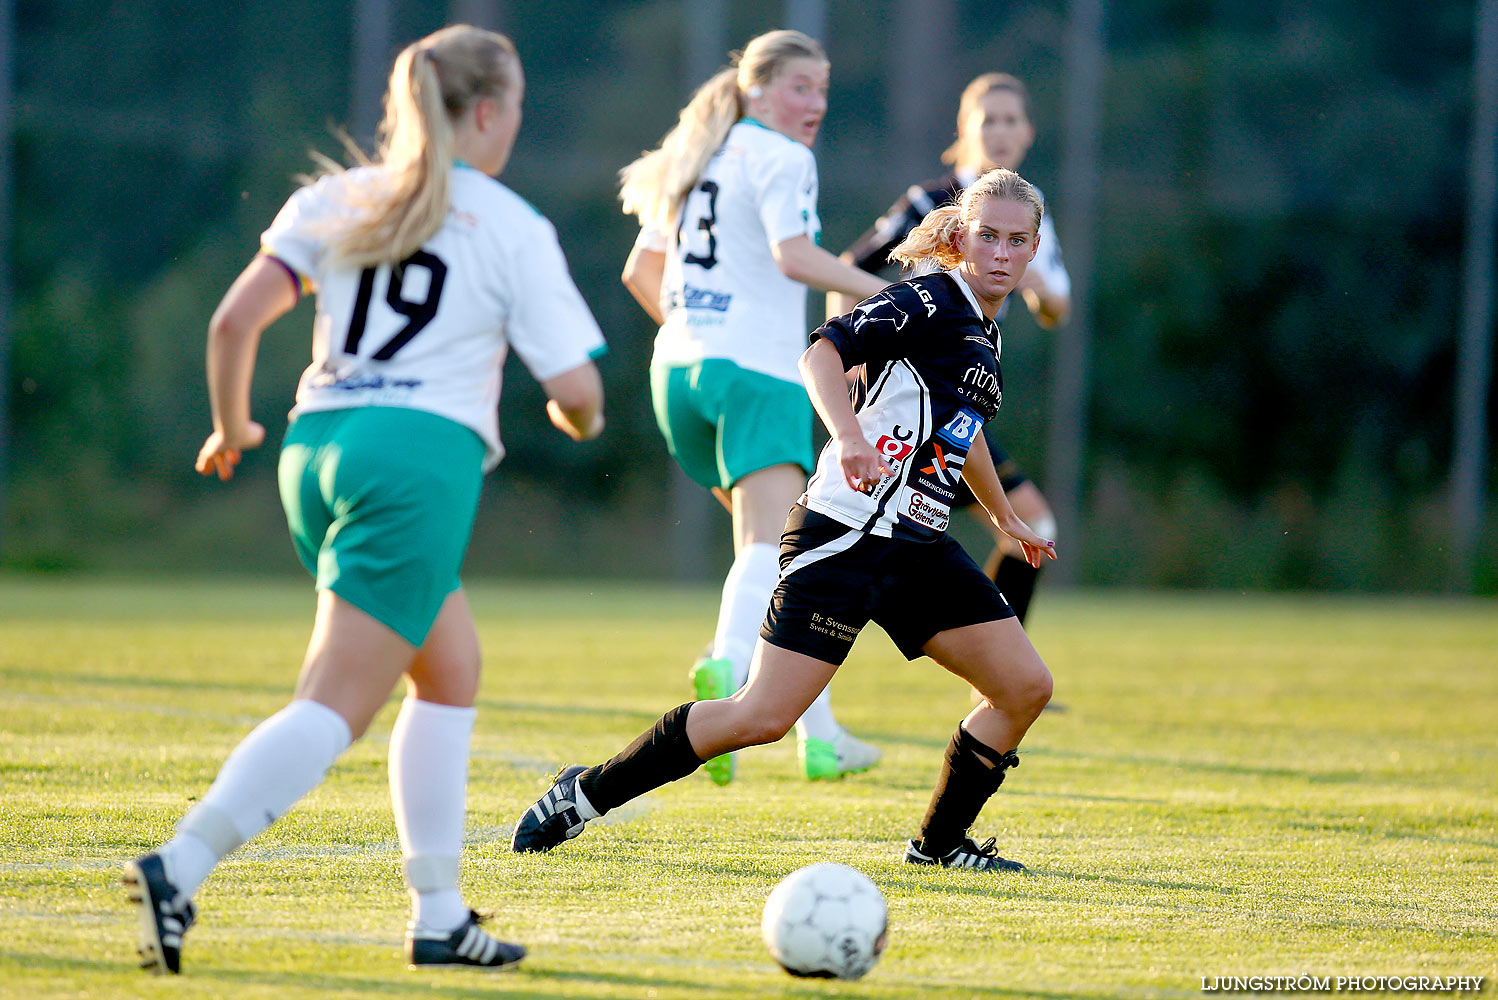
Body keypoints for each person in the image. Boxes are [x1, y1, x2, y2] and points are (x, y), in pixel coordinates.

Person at [122, 25, 607, 975]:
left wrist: (231, 427)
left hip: (316, 448)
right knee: (334, 703)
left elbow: (233, 321)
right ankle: (179, 866)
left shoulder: (339, 197)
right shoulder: (510, 223)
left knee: (449, 668)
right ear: (486, 112)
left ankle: (438, 915)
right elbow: (581, 394)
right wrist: (576, 421)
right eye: (514, 108)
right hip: (414, 462)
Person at [512, 168, 1057, 874]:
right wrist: (851, 439)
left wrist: (1005, 515)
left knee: (1023, 687)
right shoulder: (928, 300)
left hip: (917, 545)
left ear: (1035, 246)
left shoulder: (985, 329)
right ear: (961, 237)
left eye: (1018, 240)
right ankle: (580, 795)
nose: (1003, 253)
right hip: (845, 534)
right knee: (761, 717)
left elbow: (966, 427)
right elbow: (821, 353)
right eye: (988, 236)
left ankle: (941, 844)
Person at [617, 29, 890, 784]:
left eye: (823, 89)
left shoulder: (697, 151)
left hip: (677, 375)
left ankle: (822, 740)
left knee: (777, 555)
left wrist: (695, 332)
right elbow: (795, 258)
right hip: (756, 376)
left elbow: (642, 270)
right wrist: (893, 296)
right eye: (801, 87)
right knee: (770, 549)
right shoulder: (782, 156)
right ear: (757, 88)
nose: (817, 105)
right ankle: (727, 665)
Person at [837, 72, 1068, 630]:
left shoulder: (1028, 213)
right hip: (914, 395)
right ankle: (997, 672)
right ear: (965, 130)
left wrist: (1038, 288)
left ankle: (997, 671)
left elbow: (1057, 307)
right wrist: (851, 353)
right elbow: (846, 270)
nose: (1000, 131)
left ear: (1029, 133)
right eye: (988, 119)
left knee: (1009, 531)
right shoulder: (929, 201)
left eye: (1011, 120)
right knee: (883, 539)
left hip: (958, 399)